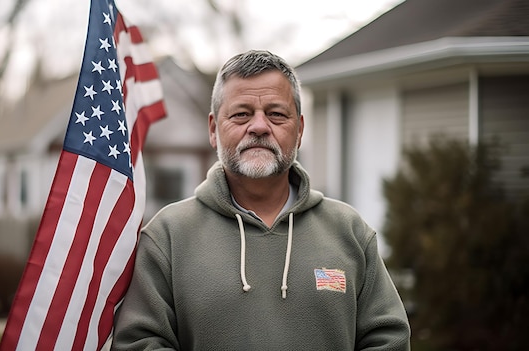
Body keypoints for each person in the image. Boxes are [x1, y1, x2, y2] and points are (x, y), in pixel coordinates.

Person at [111, 50, 411, 350]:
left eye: (276, 114)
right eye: (241, 114)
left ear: (300, 130)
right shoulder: (167, 236)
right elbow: (139, 343)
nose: (259, 126)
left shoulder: (350, 232)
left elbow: (389, 339)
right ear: (214, 129)